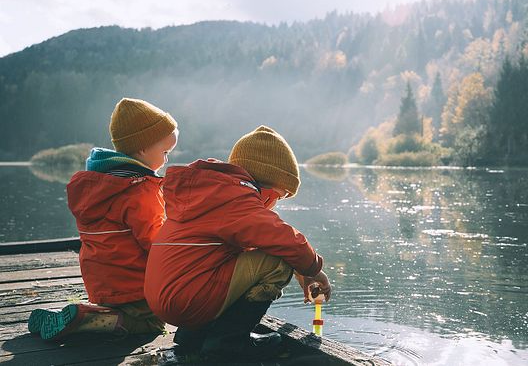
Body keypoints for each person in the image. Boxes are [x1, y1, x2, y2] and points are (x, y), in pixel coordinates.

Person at [144, 125, 331, 356]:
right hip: (187, 299)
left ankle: (194, 336)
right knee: (276, 265)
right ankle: (229, 342)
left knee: (251, 258)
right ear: (264, 184)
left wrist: (301, 271)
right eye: (278, 197)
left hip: (169, 297)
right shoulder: (236, 200)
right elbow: (284, 239)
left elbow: (257, 243)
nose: (274, 206)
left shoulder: (213, 194)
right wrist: (313, 268)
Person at [28, 98, 178, 340]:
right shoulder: (139, 189)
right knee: (154, 323)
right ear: (142, 148)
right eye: (165, 152)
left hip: (101, 285)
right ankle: (88, 319)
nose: (167, 159)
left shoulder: (97, 184)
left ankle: (81, 313)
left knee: (122, 307)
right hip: (134, 285)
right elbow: (154, 241)